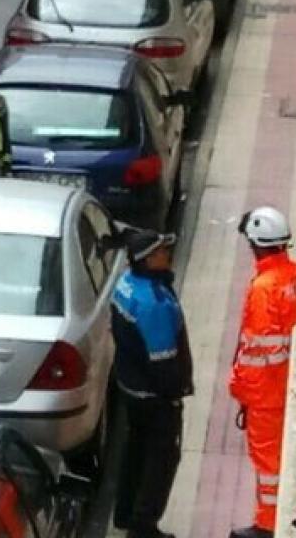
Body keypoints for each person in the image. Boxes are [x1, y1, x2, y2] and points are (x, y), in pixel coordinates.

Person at [228, 206, 296, 538]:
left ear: (256, 243)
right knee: (276, 460)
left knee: (268, 464)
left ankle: (268, 524)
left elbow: (258, 349)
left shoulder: (264, 287)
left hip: (265, 394)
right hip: (284, 386)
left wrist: (240, 387)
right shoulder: (294, 276)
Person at [111, 227, 193, 538]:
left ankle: (125, 513)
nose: (167, 255)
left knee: (136, 450)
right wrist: (174, 394)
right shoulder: (153, 303)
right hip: (155, 397)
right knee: (162, 460)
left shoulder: (126, 284)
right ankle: (144, 527)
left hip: (131, 388)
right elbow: (163, 360)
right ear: (147, 259)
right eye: (161, 252)